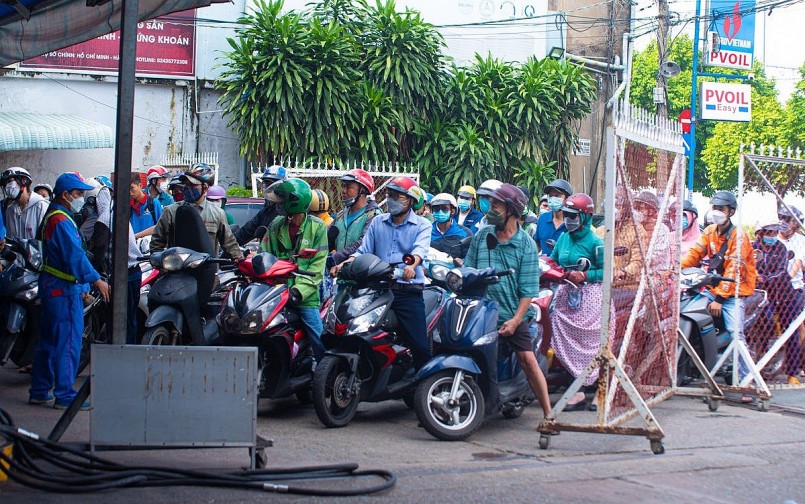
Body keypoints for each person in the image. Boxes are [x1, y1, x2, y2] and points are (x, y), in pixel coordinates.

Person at [464, 183, 552, 419]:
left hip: (512, 314)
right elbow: (468, 269)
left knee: (527, 360)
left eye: (495, 206)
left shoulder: (525, 246)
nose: (490, 210)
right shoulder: (482, 236)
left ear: (512, 210)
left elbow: (528, 290)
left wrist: (515, 320)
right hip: (480, 312)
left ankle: (548, 415)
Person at [331, 176, 432, 369]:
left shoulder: (422, 225)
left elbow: (419, 251)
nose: (393, 200)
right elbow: (363, 251)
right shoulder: (378, 222)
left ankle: (424, 381)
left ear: (411, 201)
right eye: (391, 195)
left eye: (398, 196)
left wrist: (411, 267)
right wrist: (343, 264)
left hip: (406, 291)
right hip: (377, 288)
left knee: (419, 344)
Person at [29, 172, 110, 409]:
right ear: (65, 195)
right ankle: (64, 395)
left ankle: (40, 390)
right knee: (68, 343)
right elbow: (75, 257)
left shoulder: (55, 215)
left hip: (52, 286)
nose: (81, 196)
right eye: (77, 193)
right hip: (63, 289)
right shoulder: (61, 220)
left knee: (49, 342)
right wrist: (96, 280)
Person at [681, 191, 757, 383]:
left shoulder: (739, 236)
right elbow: (694, 255)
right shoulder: (709, 232)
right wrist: (675, 270)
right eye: (714, 208)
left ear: (730, 212)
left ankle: (746, 380)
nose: (716, 212)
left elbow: (734, 268)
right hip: (713, 289)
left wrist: (721, 299)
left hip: (734, 293)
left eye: (721, 209)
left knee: (735, 334)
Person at [261, 178, 328, 361]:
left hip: (305, 297)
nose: (280, 202)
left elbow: (317, 267)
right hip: (276, 293)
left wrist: (298, 292)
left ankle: (325, 373)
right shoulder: (276, 225)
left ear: (296, 201)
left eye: (284, 199)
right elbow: (264, 255)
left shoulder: (317, 228)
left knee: (318, 338)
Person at [549, 193, 605, 409]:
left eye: (574, 216)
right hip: (565, 297)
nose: (569, 220)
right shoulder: (563, 238)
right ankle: (578, 389)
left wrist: (586, 276)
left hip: (590, 299)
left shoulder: (595, 242)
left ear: (586, 217)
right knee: (557, 333)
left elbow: (606, 270)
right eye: (567, 215)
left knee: (591, 344)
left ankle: (601, 386)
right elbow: (553, 260)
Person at [150, 163, 243, 261]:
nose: (187, 188)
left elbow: (229, 244)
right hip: (178, 273)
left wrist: (240, 262)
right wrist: (161, 264)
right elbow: (156, 243)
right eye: (186, 184)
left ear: (205, 188)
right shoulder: (171, 211)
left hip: (207, 272)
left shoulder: (217, 213)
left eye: (193, 185)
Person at [751, 217, 803, 384]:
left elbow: (781, 271)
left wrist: (763, 278)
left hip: (784, 293)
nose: (772, 235)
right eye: (768, 232)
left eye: (774, 232)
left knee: (791, 330)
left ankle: (793, 373)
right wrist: (756, 277)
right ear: (761, 233)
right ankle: (759, 366)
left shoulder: (780, 248)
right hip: (761, 293)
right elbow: (750, 266)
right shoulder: (754, 248)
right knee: (761, 324)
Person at [328, 169, 381, 271]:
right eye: (343, 186)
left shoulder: (373, 216)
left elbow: (363, 243)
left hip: (361, 273)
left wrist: (339, 257)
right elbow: (328, 239)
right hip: (338, 272)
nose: (343, 191)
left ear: (362, 191)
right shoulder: (341, 215)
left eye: (348, 187)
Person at [235, 165, 287, 245]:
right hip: (268, 255)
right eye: (266, 184)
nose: (268, 188)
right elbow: (246, 231)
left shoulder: (287, 210)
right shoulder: (265, 211)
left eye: (272, 184)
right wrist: (230, 245)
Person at [2, 167, 50, 241]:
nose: (7, 186)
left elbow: (47, 240)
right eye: (5, 183)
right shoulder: (10, 210)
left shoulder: (41, 207)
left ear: (24, 181)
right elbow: (10, 239)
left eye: (10, 181)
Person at [536, 178, 573, 256]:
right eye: (550, 195)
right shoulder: (543, 219)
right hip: (546, 266)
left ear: (567, 198)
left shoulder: (573, 221)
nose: (553, 199)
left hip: (566, 266)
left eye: (557, 195)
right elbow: (537, 244)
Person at [430, 193, 472, 259]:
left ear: (453, 210)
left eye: (444, 209)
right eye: (436, 209)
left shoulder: (465, 233)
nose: (440, 212)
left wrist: (461, 262)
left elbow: (470, 258)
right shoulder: (426, 231)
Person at [129, 172, 163, 239]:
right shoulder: (128, 206)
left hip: (149, 246)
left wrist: (135, 236)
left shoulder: (153, 203)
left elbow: (160, 226)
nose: (130, 192)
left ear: (140, 186)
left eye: (132, 188)